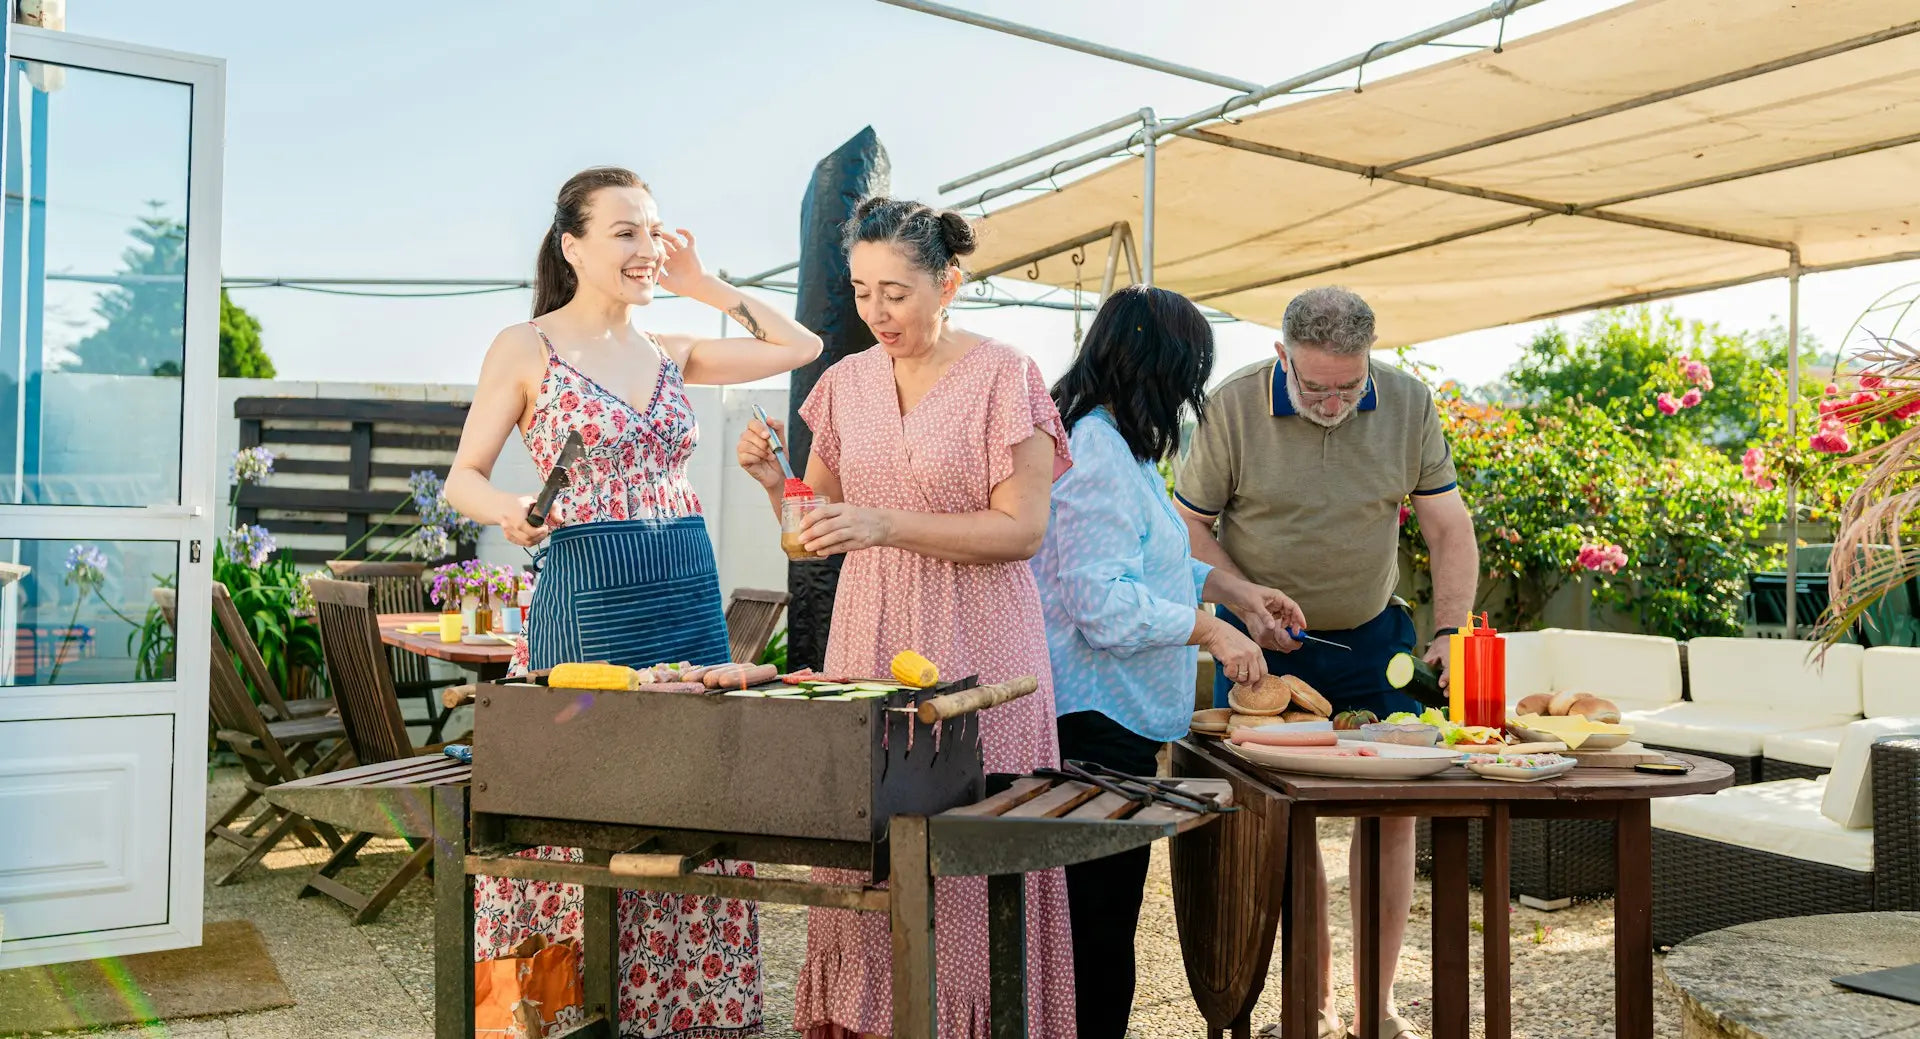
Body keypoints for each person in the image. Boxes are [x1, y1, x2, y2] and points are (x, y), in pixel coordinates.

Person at [447, 166, 822, 1039]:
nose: (646, 247)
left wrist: (706, 286)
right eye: (624, 231)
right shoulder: (525, 346)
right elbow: (466, 474)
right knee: (579, 812)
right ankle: (564, 1012)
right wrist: (508, 507)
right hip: (585, 601)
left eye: (652, 230)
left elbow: (799, 347)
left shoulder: (672, 351)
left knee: (686, 806)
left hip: (685, 595)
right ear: (572, 246)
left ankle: (681, 1018)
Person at [736, 197, 1075, 1037]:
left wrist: (885, 524)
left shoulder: (1007, 374)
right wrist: (776, 483)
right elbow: (811, 535)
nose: (876, 312)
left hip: (979, 644)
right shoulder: (843, 383)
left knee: (969, 848)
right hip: (869, 637)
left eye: (895, 291)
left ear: (948, 282)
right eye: (860, 292)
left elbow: (1022, 529)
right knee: (871, 845)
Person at [1174, 286, 1478, 1039]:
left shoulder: (1408, 402)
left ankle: (1375, 1006)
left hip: (1376, 640)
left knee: (1396, 812)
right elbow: (1184, 527)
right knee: (1286, 819)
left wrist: (1451, 628)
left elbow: (1447, 525)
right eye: (1316, 386)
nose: (1335, 401)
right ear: (1282, 357)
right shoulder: (1233, 407)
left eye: (1351, 385)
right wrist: (1244, 598)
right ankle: (1311, 1005)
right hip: (1260, 647)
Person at [1032, 284, 1307, 1039]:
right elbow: (1104, 604)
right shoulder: (1093, 452)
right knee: (1093, 942)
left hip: (1113, 722)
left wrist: (1238, 595)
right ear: (1159, 370)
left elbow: (1155, 564)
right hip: (1090, 728)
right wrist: (1211, 633)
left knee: (1104, 933)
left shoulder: (1114, 445)